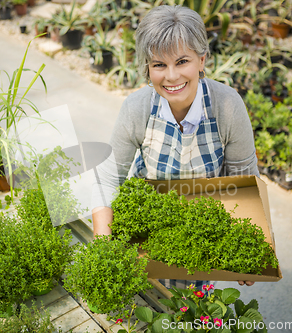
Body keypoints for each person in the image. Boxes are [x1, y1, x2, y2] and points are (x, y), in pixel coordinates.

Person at [91, 5, 258, 287]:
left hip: (201, 239)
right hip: (146, 238)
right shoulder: (137, 108)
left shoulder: (228, 107)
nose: (171, 76)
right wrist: (104, 249)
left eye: (182, 61)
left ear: (201, 60)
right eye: (159, 64)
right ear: (147, 68)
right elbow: (108, 179)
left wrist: (249, 249)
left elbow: (245, 183)